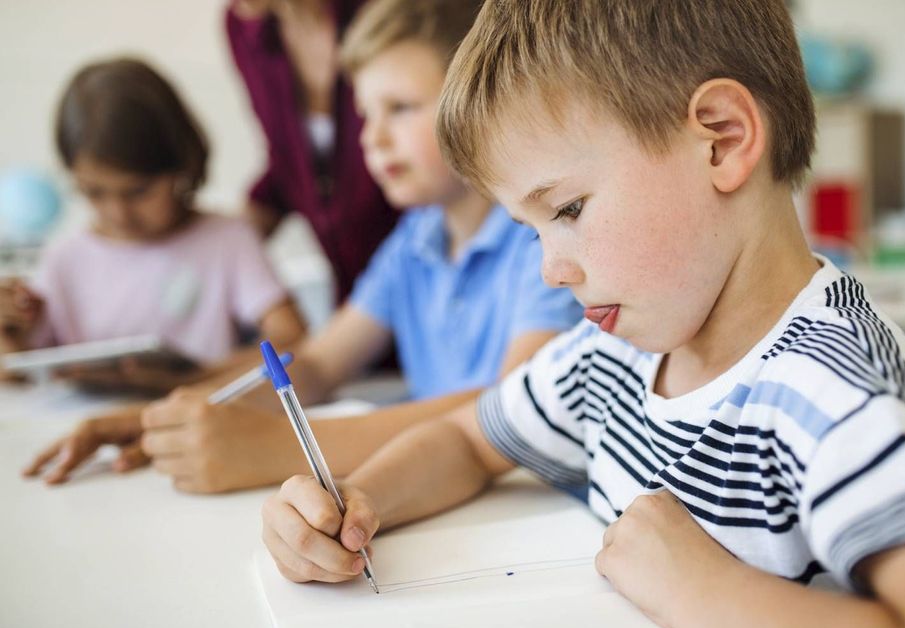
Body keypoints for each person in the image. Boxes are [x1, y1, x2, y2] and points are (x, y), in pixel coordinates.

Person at [260, 1, 905, 628]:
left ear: (721, 138)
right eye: (532, 230)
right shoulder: (609, 355)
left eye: (567, 210)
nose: (549, 269)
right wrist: (358, 501)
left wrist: (698, 589)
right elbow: (468, 439)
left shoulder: (831, 388)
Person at [26, 0, 580, 495]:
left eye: (401, 107)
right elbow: (314, 363)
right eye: (365, 113)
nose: (372, 138)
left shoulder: (536, 238)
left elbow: (508, 407)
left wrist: (272, 448)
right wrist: (159, 419)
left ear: (476, 102)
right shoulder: (413, 241)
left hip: (531, 504)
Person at [15, 58, 305, 483]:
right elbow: (18, 371)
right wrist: (10, 332)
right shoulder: (64, 257)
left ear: (182, 166)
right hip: (84, 454)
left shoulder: (227, 240)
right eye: (94, 192)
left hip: (195, 438)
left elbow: (292, 338)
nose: (118, 212)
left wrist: (197, 375)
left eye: (137, 191)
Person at [226, 0, 399, 304]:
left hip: (418, 267)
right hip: (354, 291)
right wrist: (218, 244)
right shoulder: (244, 29)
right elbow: (287, 163)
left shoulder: (390, 15)